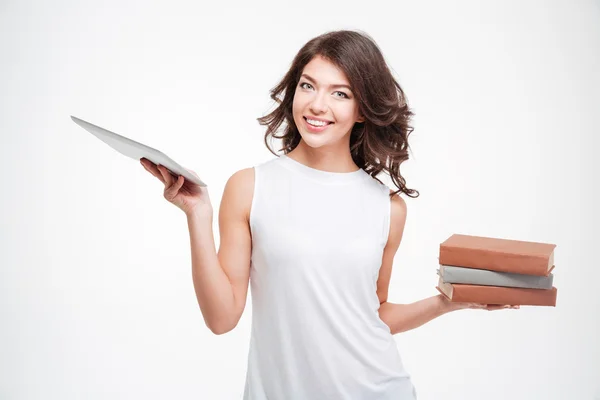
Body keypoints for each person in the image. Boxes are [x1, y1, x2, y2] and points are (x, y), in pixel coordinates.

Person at [140, 29, 518, 400]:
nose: (317, 105)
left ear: (362, 111)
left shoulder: (388, 208)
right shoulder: (250, 187)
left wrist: (445, 303)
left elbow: (374, 314)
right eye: (308, 86)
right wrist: (197, 216)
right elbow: (221, 320)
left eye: (340, 93)